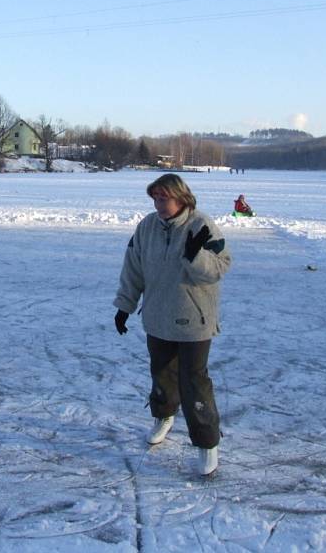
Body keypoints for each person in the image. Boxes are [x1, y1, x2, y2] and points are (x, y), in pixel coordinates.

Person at [113, 173, 231, 476]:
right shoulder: (147, 227)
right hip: (157, 318)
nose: (158, 204)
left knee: (194, 380)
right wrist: (125, 306)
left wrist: (195, 257)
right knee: (162, 374)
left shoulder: (201, 225)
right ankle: (164, 415)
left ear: (181, 197)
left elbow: (219, 268)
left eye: (163, 198)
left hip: (194, 320)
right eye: (154, 198)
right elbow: (133, 268)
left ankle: (207, 442)